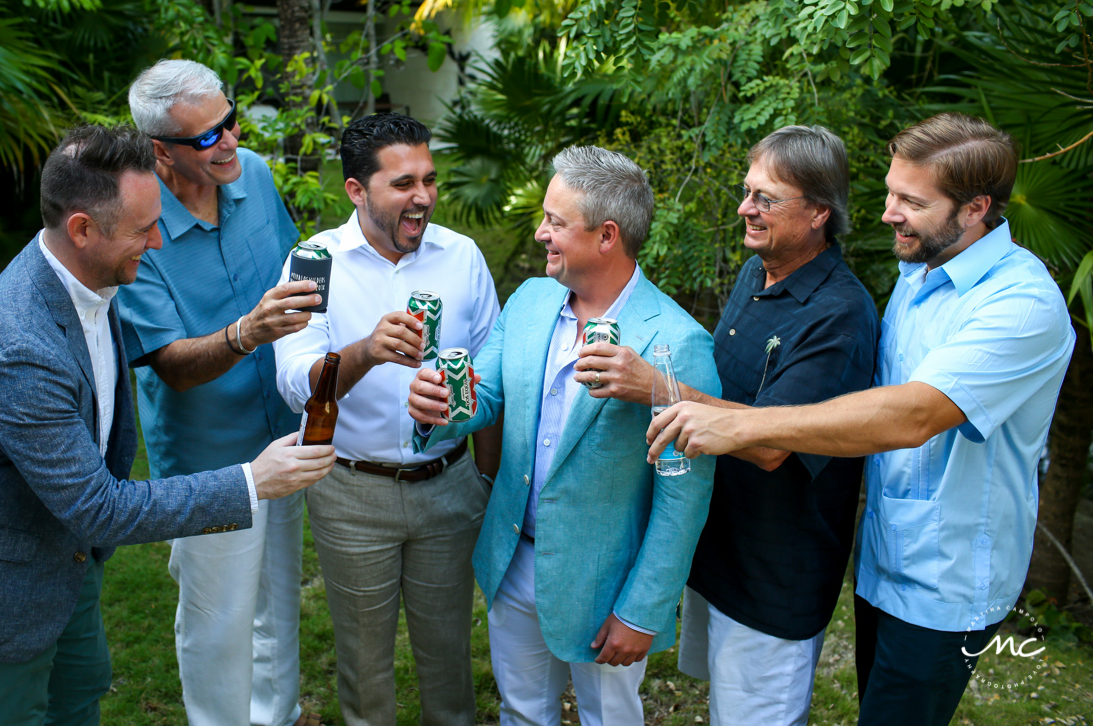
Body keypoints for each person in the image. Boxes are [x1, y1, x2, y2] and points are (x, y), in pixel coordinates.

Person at [0, 123, 335, 726]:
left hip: (66, 557)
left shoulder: (83, 274)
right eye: (142, 230)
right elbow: (100, 508)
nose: (157, 244)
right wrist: (253, 481)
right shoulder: (20, 349)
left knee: (81, 698)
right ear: (81, 228)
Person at [650, 113, 1077, 726]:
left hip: (943, 585)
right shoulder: (919, 273)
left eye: (911, 201)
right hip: (881, 563)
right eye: (889, 193)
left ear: (976, 207)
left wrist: (746, 425)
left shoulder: (1021, 304)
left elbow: (916, 413)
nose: (886, 214)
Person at [575, 125, 877, 725]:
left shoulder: (840, 315)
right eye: (747, 191)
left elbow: (771, 444)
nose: (745, 208)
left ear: (819, 212)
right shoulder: (758, 272)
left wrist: (654, 387)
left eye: (766, 198)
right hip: (719, 556)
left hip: (774, 579)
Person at [408, 145, 719, 726]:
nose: (539, 232)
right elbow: (489, 396)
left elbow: (684, 497)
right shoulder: (530, 300)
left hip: (604, 584)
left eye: (555, 221)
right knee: (521, 713)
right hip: (511, 559)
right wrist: (441, 406)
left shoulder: (677, 343)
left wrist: (643, 610)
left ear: (607, 236)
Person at [273, 112, 502, 726]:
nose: (423, 196)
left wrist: (483, 478)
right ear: (357, 190)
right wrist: (368, 351)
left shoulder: (462, 256)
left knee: (449, 663)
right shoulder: (313, 261)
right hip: (351, 492)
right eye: (403, 184)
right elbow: (297, 384)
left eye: (429, 179)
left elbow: (495, 375)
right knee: (365, 673)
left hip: (449, 487)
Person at [113, 60, 323, 726]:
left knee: (277, 608)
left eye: (230, 120)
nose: (230, 140)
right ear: (160, 152)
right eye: (207, 138)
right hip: (210, 467)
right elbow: (170, 364)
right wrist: (246, 333)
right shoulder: (137, 226)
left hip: (281, 437)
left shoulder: (255, 175)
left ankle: (279, 716)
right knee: (218, 625)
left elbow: (297, 276)